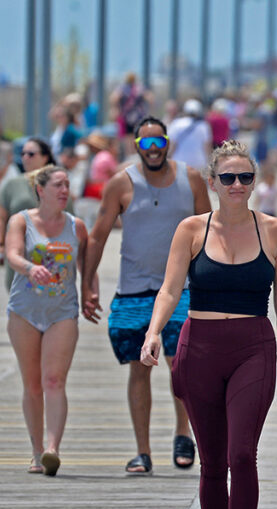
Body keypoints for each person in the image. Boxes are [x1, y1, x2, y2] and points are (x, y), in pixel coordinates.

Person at [141, 140, 277, 509]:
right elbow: (169, 290)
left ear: (254, 182)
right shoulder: (191, 229)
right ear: (212, 182)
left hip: (253, 347)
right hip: (199, 347)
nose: (236, 185)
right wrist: (154, 333)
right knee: (211, 461)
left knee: (242, 454)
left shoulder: (274, 230)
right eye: (227, 177)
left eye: (245, 177)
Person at [80, 117, 209, 475]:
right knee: (139, 368)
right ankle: (143, 451)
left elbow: (209, 230)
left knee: (179, 364)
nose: (153, 149)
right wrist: (87, 284)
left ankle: (183, 435)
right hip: (134, 290)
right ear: (137, 145)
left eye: (159, 142)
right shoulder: (121, 183)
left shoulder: (191, 179)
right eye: (146, 143)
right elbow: (98, 235)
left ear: (168, 143)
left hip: (181, 289)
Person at [5, 165, 89, 476]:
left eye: (67, 185)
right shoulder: (22, 221)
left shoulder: (76, 226)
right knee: (32, 384)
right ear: (41, 190)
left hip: (62, 311)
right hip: (24, 311)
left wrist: (91, 293)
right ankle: (36, 451)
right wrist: (29, 268)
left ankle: (53, 448)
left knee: (54, 380)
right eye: (58, 185)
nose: (64, 190)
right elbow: (12, 254)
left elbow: (87, 265)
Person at [0, 139, 64, 285]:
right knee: (18, 296)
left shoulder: (58, 184)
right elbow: (1, 218)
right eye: (23, 154)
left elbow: (68, 218)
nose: (25, 157)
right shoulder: (12, 184)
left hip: (50, 253)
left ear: (45, 157)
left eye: (31, 154)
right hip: (19, 253)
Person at [168, 99, 213, 171]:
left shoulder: (176, 123)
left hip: (179, 162)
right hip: (199, 162)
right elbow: (207, 147)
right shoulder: (203, 125)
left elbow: (172, 145)